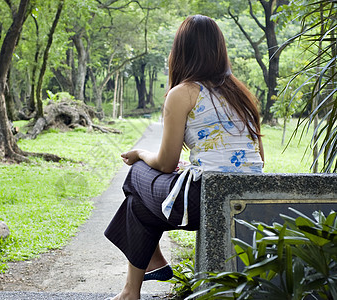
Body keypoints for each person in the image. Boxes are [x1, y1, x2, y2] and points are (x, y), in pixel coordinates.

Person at [104, 14, 265, 300]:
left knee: (135, 176)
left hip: (203, 200)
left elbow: (165, 164)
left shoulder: (183, 93)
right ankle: (132, 289)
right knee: (138, 207)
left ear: (181, 51)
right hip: (251, 198)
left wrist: (140, 153)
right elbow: (256, 158)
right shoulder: (242, 94)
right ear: (219, 50)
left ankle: (147, 272)